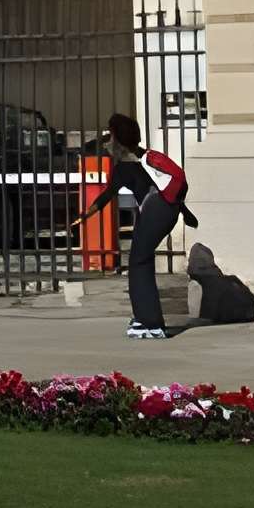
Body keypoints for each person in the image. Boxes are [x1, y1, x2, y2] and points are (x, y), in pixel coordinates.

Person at [76, 111, 188, 340]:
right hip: (167, 210)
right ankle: (147, 319)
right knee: (141, 259)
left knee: (138, 261)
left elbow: (106, 196)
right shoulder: (145, 158)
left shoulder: (125, 168)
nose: (107, 144)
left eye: (110, 138)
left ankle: (150, 323)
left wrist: (84, 217)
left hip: (155, 210)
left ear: (119, 141)